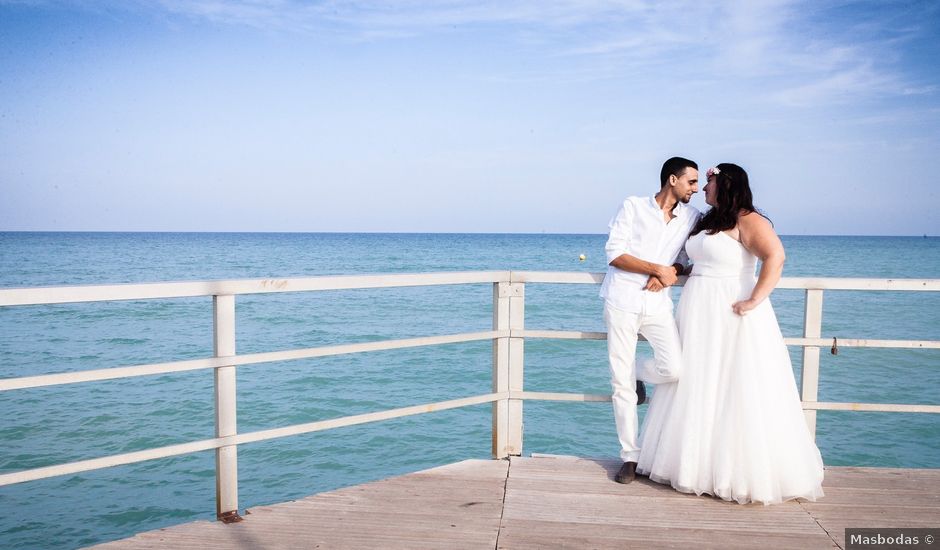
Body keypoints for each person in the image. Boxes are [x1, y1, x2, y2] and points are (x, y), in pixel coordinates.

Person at [636, 163, 824, 504]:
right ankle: (694, 464)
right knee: (698, 383)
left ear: (725, 185)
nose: (702, 189)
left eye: (708, 183)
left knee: (735, 386)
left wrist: (755, 297)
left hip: (731, 311)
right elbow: (700, 260)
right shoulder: (709, 220)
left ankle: (732, 473)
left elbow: (775, 256)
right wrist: (671, 271)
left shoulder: (749, 218)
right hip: (698, 309)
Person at [599, 156, 702, 484]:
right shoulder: (632, 206)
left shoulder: (692, 217)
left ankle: (638, 375)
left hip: (658, 305)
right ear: (673, 180)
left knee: (674, 368)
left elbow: (689, 257)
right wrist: (656, 268)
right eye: (691, 182)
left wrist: (674, 271)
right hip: (621, 301)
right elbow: (615, 254)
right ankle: (630, 456)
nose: (695, 189)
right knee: (620, 384)